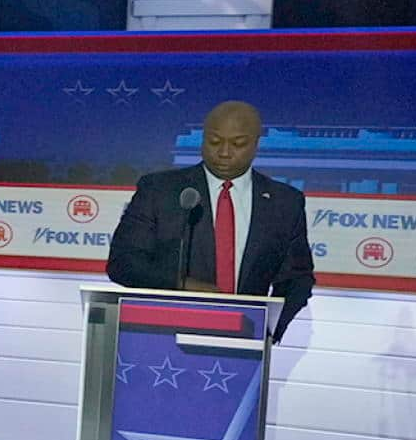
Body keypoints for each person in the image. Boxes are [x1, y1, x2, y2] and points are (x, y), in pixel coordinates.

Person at [104, 99, 314, 337]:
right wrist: (181, 283)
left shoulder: (284, 202)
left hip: (244, 341)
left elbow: (297, 278)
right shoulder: (159, 191)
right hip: (162, 338)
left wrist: (268, 329)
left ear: (256, 144)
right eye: (214, 142)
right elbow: (123, 262)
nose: (224, 152)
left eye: (238, 144)